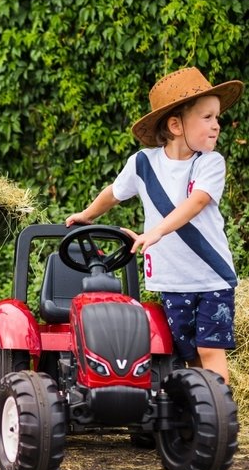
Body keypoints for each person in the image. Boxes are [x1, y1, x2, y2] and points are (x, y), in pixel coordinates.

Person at [65, 67, 244, 383]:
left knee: (209, 351)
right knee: (187, 354)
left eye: (217, 117)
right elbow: (114, 193)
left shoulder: (210, 163)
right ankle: (195, 412)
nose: (217, 125)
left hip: (211, 278)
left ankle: (218, 419)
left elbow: (196, 202)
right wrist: (88, 215)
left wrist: (156, 230)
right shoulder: (143, 164)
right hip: (171, 280)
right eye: (207, 117)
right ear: (176, 125)